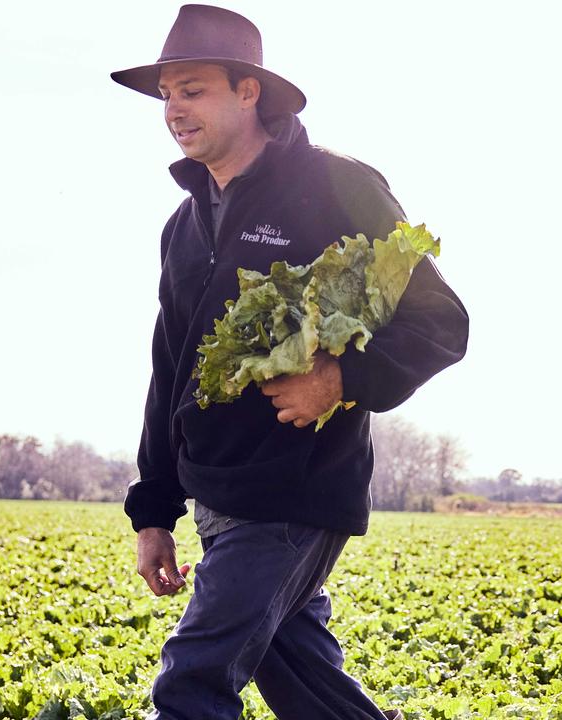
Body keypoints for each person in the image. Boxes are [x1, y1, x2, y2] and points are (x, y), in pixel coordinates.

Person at [110, 5, 469, 719]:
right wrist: (154, 508)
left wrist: (339, 379)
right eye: (167, 95)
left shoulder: (336, 185)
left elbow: (441, 321)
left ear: (250, 91)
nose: (174, 109)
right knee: (310, 692)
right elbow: (169, 369)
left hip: (292, 492)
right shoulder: (182, 227)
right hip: (216, 497)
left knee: (190, 686)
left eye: (193, 88)